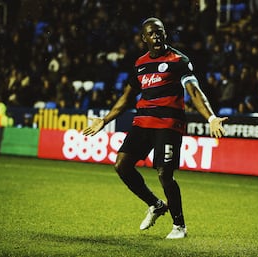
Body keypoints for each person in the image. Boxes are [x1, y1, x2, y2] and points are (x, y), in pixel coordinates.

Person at [83, 17, 227, 239]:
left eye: (159, 32)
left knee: (164, 174)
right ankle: (156, 204)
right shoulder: (140, 63)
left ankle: (179, 226)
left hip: (168, 124)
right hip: (142, 122)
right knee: (121, 165)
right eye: (151, 33)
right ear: (144, 38)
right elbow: (126, 98)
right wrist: (104, 120)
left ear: (165, 34)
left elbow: (194, 91)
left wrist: (211, 118)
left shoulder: (179, 60)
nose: (156, 36)